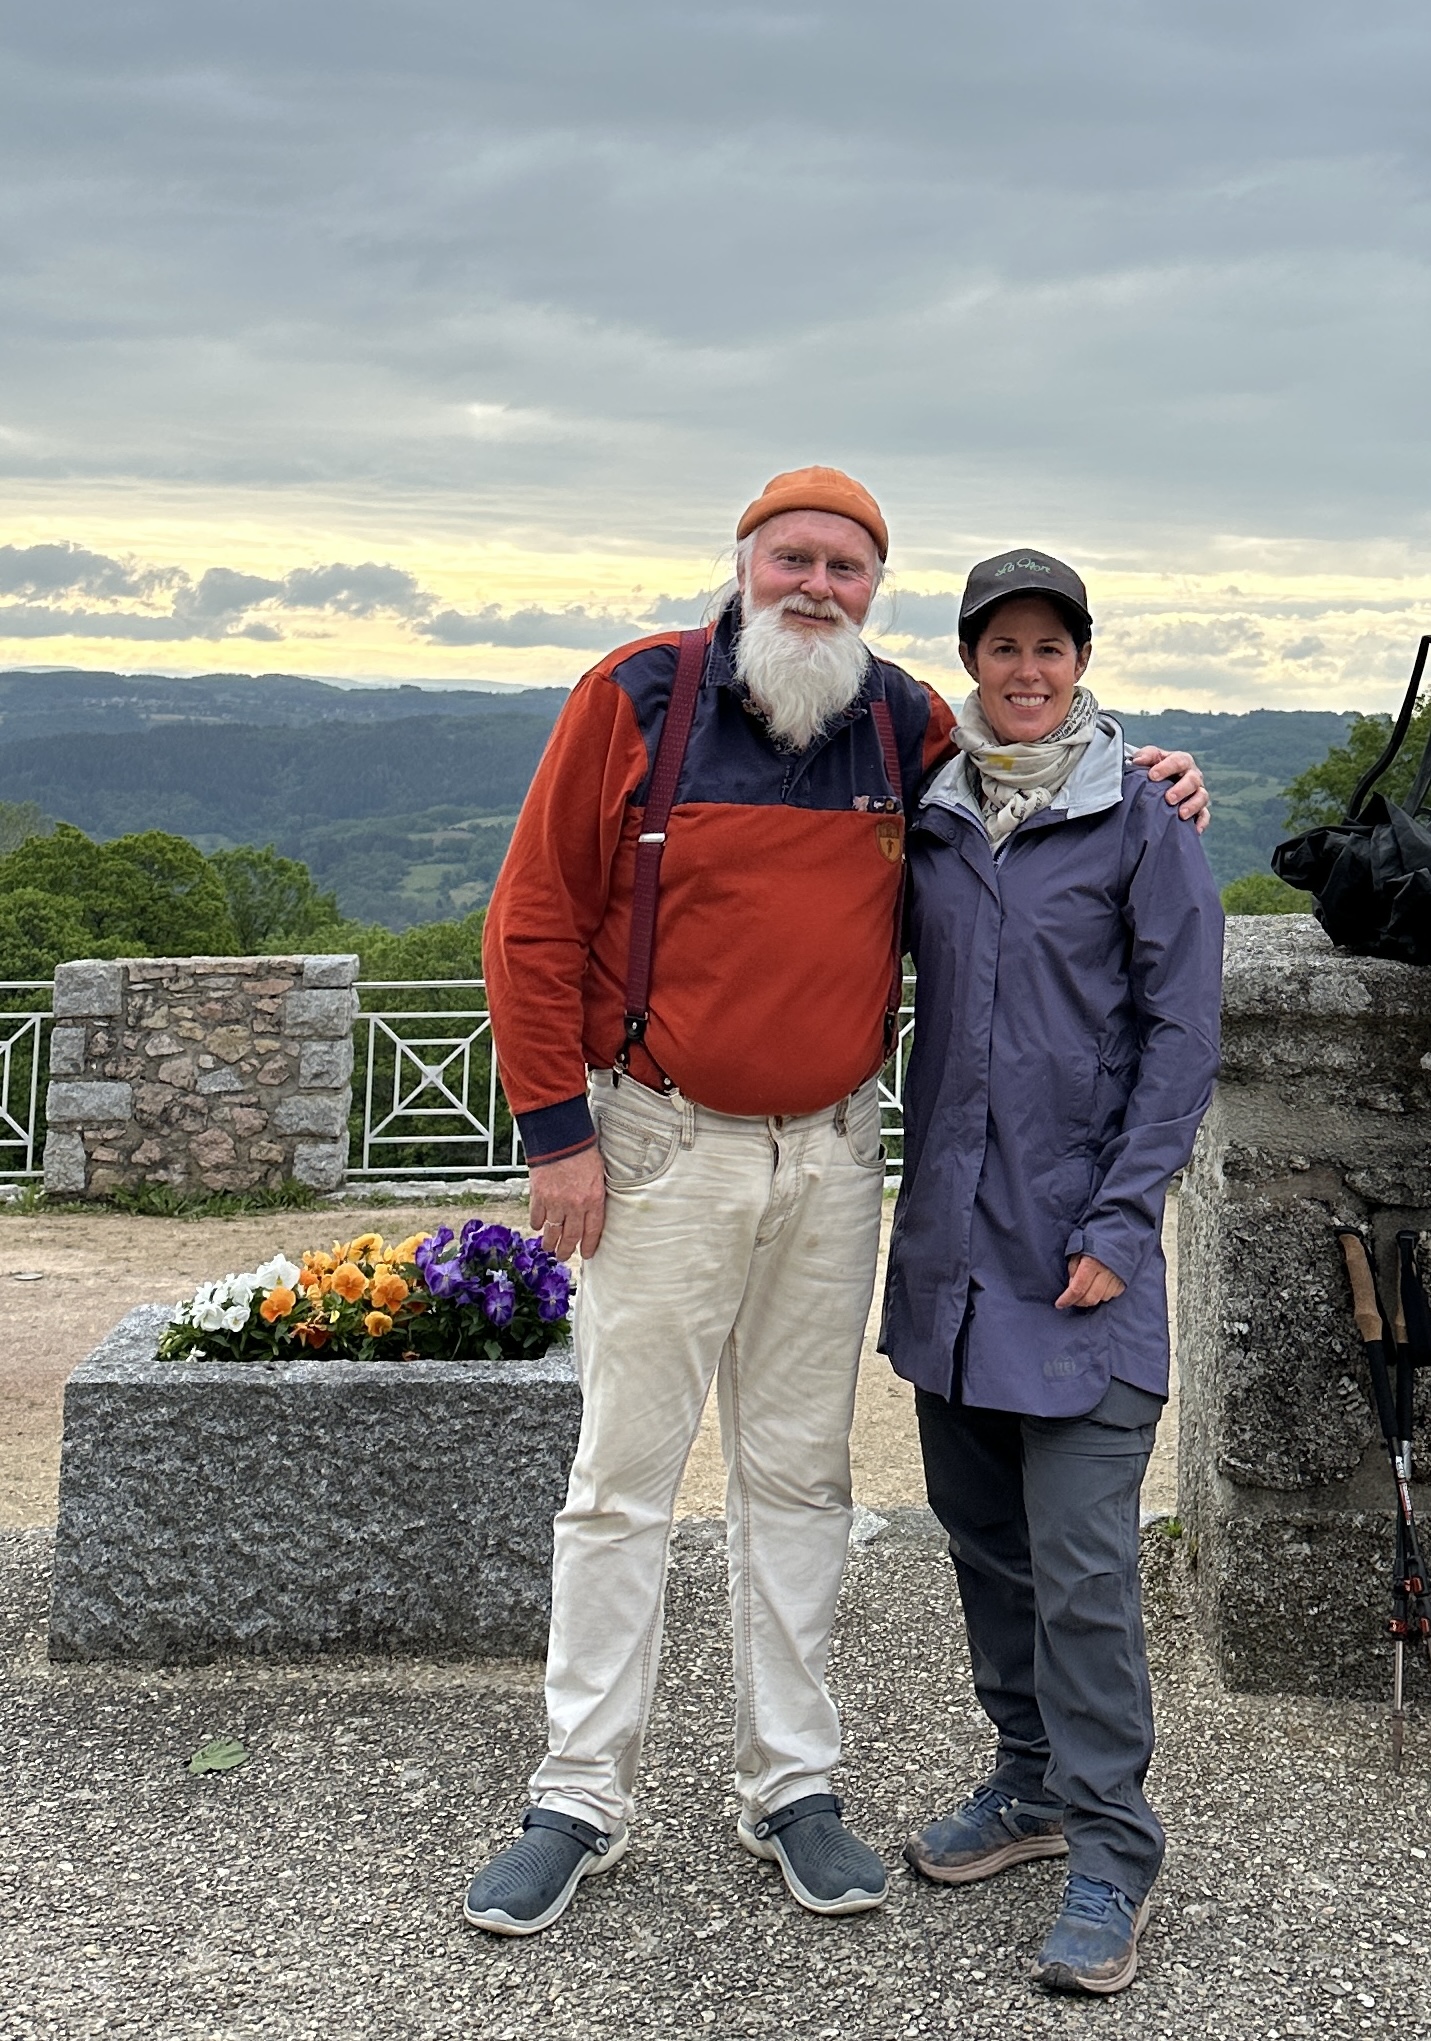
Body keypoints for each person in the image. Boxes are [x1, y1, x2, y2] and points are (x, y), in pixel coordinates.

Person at [468, 476, 1208, 1937]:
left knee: (800, 1480)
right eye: (794, 558)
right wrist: (558, 1133)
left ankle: (791, 1785)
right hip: (661, 1144)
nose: (818, 585)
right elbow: (533, 914)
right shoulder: (637, 697)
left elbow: (1046, 755)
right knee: (622, 1477)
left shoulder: (899, 722)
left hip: (829, 1154)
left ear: (876, 589)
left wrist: (1161, 772)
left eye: (848, 565)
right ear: (743, 563)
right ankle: (579, 1793)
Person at [880, 548, 1223, 1996]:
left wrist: (1119, 1220)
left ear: (1083, 661)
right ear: (970, 659)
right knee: (986, 1543)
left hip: (1081, 1256)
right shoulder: (933, 814)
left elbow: (1182, 1033)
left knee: (1084, 1571)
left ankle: (1111, 1849)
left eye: (1052, 647)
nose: (1027, 670)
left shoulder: (1145, 812)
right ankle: (1026, 1781)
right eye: (1002, 647)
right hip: (956, 1258)